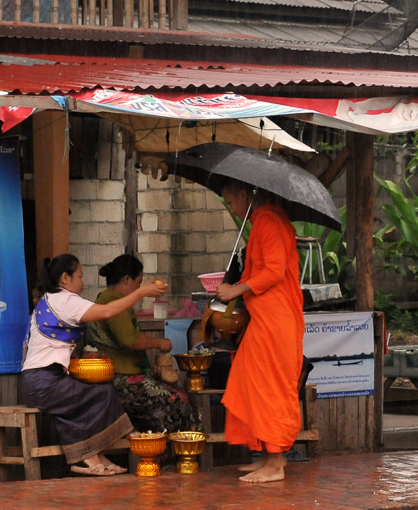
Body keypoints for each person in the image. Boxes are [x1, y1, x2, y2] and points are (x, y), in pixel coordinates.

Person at [21, 254, 169, 477]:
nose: (83, 282)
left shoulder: (50, 299)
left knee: (87, 398)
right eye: (80, 277)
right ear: (65, 278)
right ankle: (87, 456)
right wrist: (140, 293)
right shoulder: (65, 300)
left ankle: (92, 457)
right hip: (44, 381)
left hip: (37, 381)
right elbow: (108, 311)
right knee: (101, 394)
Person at [215, 181, 305, 483]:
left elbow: (274, 271)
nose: (232, 209)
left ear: (244, 195)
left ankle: (277, 461)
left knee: (270, 387)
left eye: (231, 202)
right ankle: (267, 455)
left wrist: (235, 290)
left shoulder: (268, 221)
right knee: (248, 381)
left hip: (275, 319)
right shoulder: (264, 222)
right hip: (264, 318)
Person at [85, 254, 200, 436]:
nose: (139, 288)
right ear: (127, 279)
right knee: (177, 398)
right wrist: (159, 342)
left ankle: (177, 455)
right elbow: (130, 339)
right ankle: (177, 454)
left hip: (122, 375)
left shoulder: (108, 298)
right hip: (118, 379)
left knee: (180, 395)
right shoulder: (112, 301)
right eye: (138, 283)